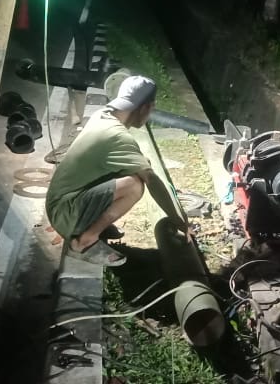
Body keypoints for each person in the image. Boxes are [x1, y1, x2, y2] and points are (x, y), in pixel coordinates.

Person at [45, 76, 188, 266]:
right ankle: (83, 242)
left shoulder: (102, 115)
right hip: (64, 212)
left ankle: (92, 222)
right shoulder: (119, 137)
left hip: (59, 202)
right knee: (134, 185)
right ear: (145, 107)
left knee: (134, 167)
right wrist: (179, 220)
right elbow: (151, 179)